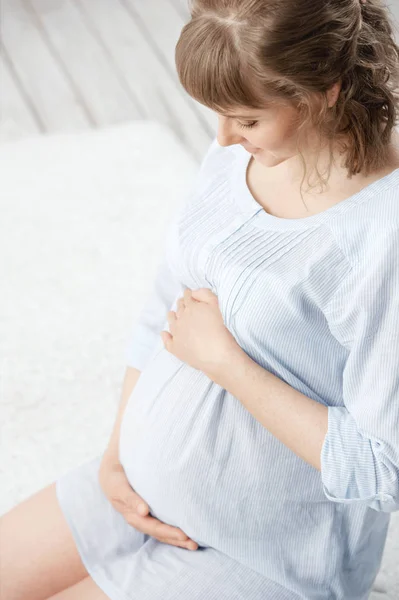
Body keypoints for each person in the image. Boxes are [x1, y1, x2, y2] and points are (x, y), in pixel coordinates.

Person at [2, 0, 399, 598]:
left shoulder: (381, 233)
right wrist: (117, 451)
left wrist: (227, 365)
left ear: (326, 91)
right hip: (135, 483)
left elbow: (381, 468)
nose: (222, 137)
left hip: (265, 553)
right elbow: (168, 295)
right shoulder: (245, 147)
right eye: (217, 113)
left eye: (244, 118)